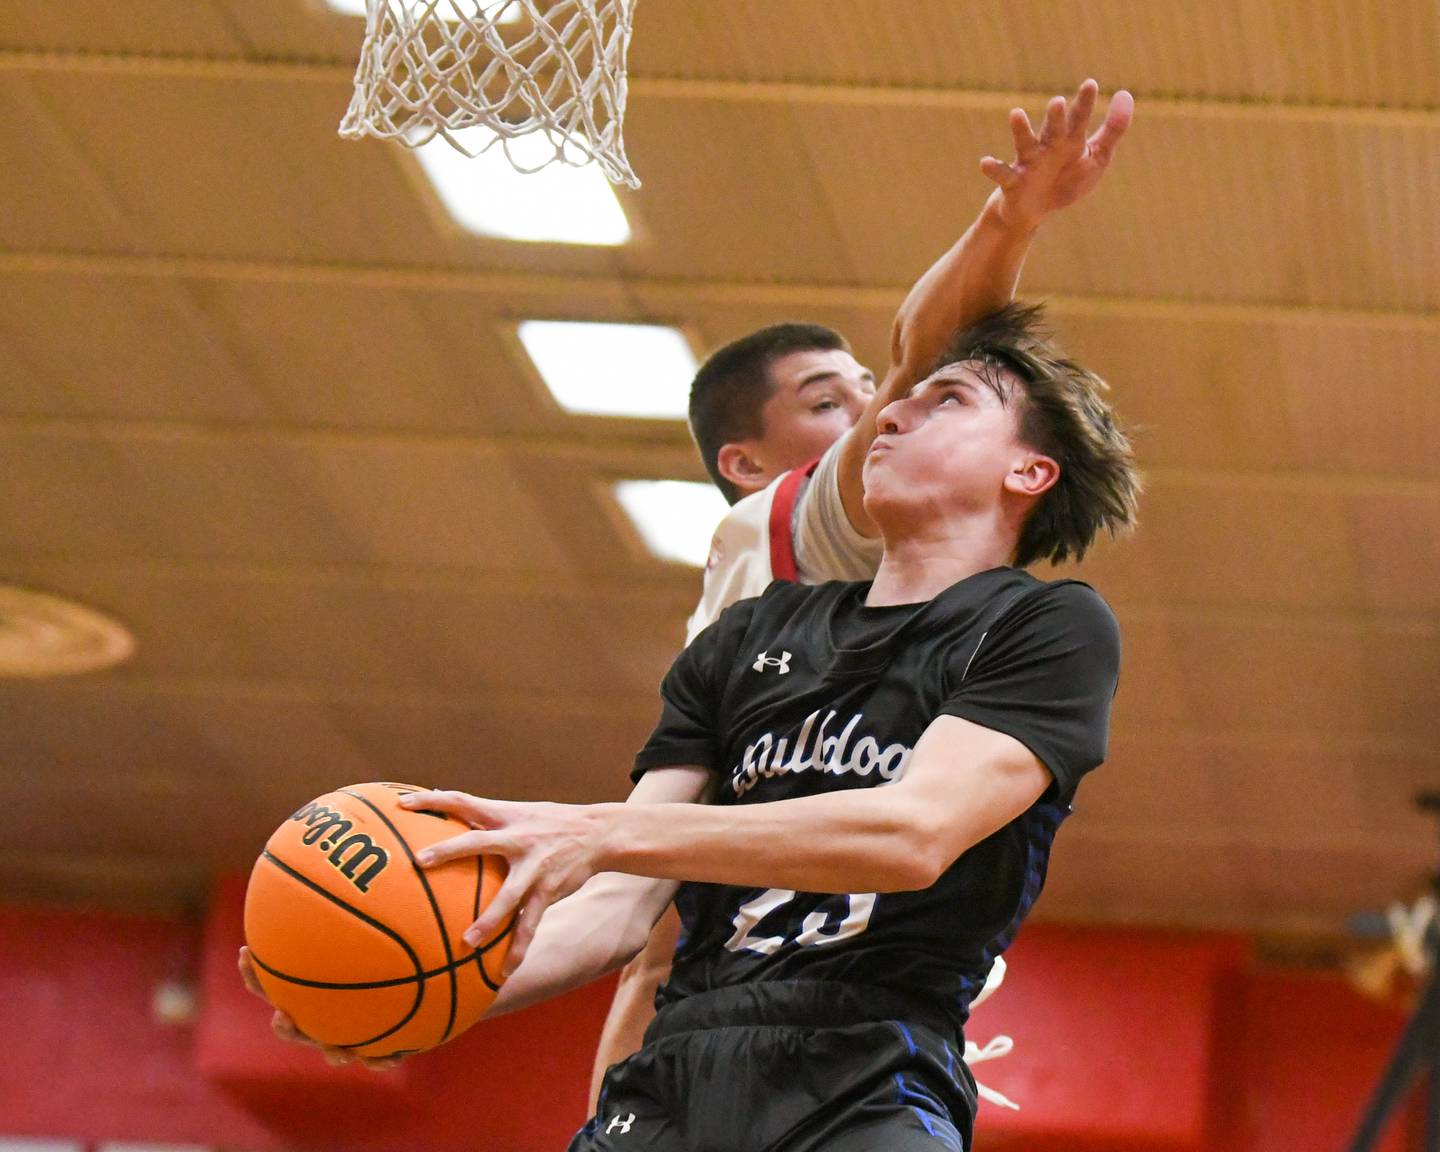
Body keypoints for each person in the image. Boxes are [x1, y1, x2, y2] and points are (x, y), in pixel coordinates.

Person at [246, 300, 1140, 1151]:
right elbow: (620, 902)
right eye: (898, 398)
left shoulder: (1046, 628)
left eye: (944, 400)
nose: (892, 413)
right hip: (678, 1069)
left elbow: (910, 834)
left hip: (868, 1067)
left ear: (1029, 471)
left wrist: (599, 829)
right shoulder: (751, 635)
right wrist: (412, 990)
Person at [591, 78, 1133, 1102]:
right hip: (745, 928)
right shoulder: (789, 517)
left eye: (866, 389)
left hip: (830, 965)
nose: (873, 410)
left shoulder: (1006, 607)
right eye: (828, 400)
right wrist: (1007, 223)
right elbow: (926, 353)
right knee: (661, 946)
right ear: (748, 462)